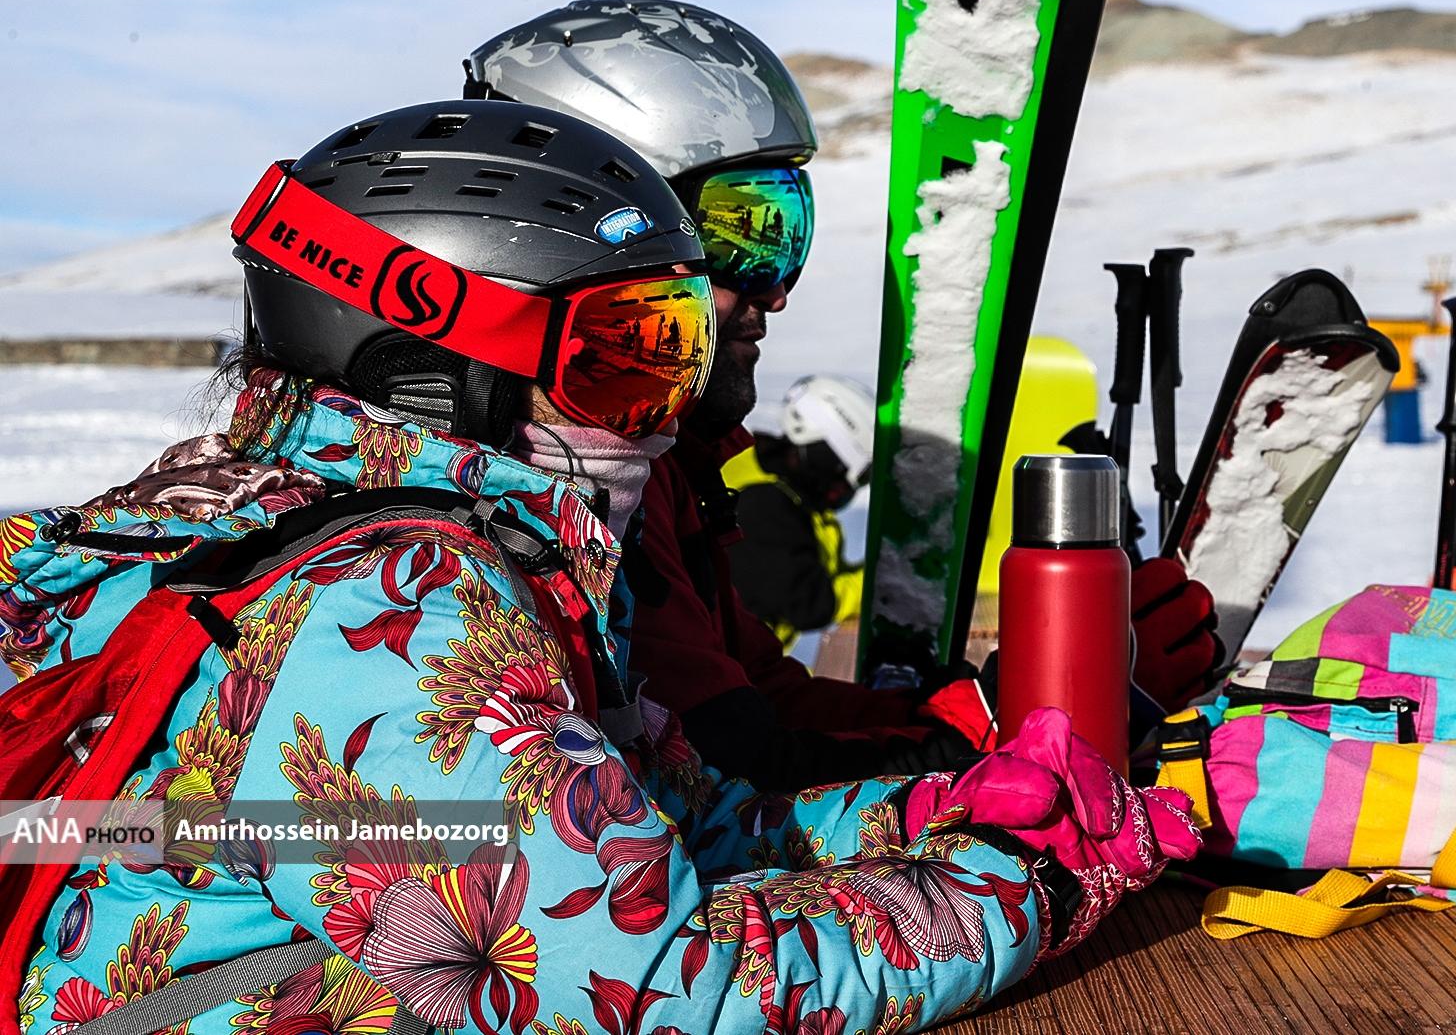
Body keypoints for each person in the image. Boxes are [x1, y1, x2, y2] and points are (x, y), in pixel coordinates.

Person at [0, 100, 1196, 1034]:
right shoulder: (387, 622)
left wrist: (934, 810)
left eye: (678, 349)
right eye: (627, 358)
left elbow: (679, 823)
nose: (663, 415)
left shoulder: (425, 542)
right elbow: (667, 992)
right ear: (440, 367)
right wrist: (1032, 878)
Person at [464, 0, 1227, 791]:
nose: (777, 291)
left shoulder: (656, 470)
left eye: (784, 230)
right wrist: (1036, 719)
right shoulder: (548, 481)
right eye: (740, 237)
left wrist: (989, 711)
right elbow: (743, 788)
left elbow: (770, 705)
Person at [721, 373, 872, 649]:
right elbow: (809, 604)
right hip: (723, 665)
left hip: (744, 661)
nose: (841, 492)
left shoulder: (788, 494)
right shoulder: (762, 505)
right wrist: (880, 584)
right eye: (841, 477)